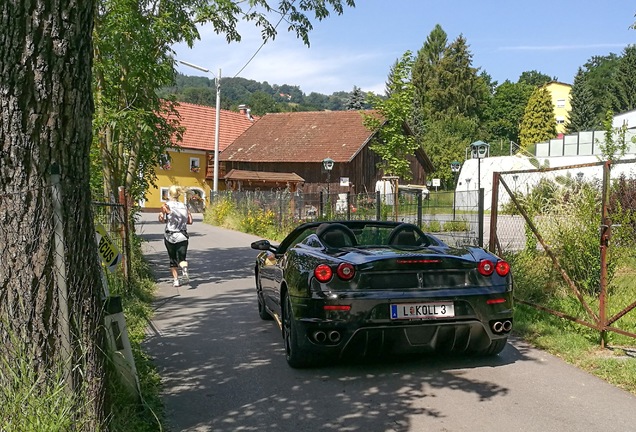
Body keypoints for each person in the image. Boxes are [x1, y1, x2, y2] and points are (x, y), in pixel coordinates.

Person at [158, 185, 193, 287]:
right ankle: (185, 271)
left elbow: (161, 219)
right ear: (178, 194)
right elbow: (190, 221)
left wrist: (164, 218)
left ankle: (176, 280)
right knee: (182, 259)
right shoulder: (184, 206)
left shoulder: (166, 206)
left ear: (169, 194)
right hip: (182, 235)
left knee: (172, 259)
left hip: (170, 236)